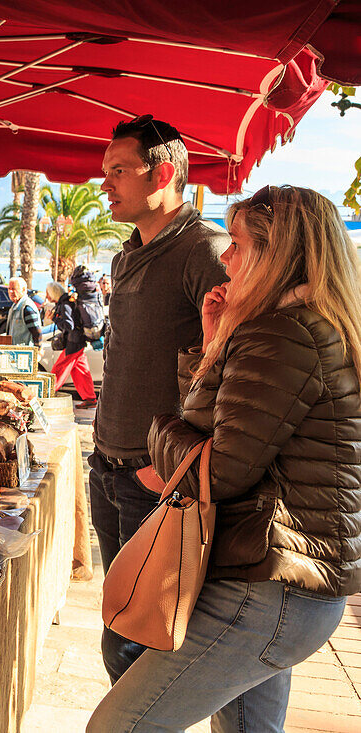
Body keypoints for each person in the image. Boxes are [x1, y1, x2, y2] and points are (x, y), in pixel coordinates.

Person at [89, 186, 361, 732]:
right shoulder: (301, 328)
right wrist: (215, 345)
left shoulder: (282, 335)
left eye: (235, 245)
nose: (225, 259)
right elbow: (225, 429)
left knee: (121, 726)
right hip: (291, 581)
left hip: (271, 585)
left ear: (275, 255)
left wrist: (158, 435)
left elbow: (217, 470)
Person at [91, 115, 229, 684]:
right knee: (119, 624)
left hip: (154, 479)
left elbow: (232, 363)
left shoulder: (205, 249)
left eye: (118, 171)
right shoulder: (129, 252)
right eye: (105, 173)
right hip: (107, 467)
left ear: (164, 173)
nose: (105, 185)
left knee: (130, 645)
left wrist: (170, 466)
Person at [49, 273, 98, 408]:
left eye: (48, 294)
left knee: (58, 370)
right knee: (80, 371)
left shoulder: (64, 305)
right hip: (78, 341)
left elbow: (68, 325)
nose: (47, 297)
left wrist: (54, 318)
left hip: (73, 342)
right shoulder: (66, 302)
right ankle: (90, 398)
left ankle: (48, 394)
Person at [5, 277, 41, 346]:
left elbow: (37, 332)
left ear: (23, 290)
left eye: (14, 289)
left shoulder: (27, 307)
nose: (10, 292)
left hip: (25, 353)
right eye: (9, 289)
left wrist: (39, 350)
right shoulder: (14, 306)